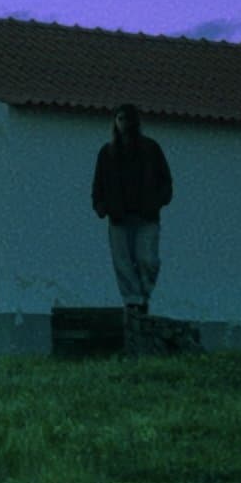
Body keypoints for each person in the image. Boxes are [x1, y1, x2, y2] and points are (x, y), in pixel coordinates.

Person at [89, 103, 173, 331]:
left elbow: (166, 181)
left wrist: (157, 201)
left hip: (146, 218)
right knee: (123, 263)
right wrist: (101, 206)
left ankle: (144, 296)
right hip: (118, 218)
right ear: (115, 122)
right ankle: (133, 303)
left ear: (135, 122)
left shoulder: (151, 149)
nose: (123, 123)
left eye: (127, 118)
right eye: (119, 118)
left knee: (148, 259)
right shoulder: (107, 153)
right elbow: (98, 185)